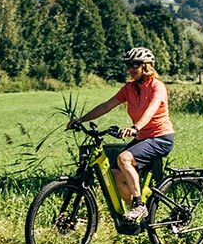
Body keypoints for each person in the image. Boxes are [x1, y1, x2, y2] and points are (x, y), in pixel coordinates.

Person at [73, 47, 174, 222]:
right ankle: (140, 214)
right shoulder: (129, 88)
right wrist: (81, 120)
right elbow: (106, 105)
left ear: (146, 66)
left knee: (124, 158)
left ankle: (139, 206)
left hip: (160, 138)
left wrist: (135, 127)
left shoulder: (157, 86)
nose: (131, 69)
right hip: (142, 138)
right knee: (114, 174)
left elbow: (151, 110)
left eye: (135, 65)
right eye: (128, 65)